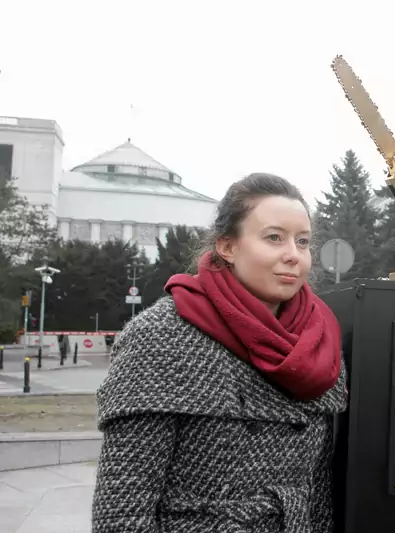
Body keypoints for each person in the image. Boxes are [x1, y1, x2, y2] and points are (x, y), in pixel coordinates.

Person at [91, 173, 347, 532]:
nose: (293, 255)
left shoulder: (318, 342)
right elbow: (123, 510)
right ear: (228, 246)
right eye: (274, 238)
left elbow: (317, 497)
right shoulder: (161, 335)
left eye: (302, 241)